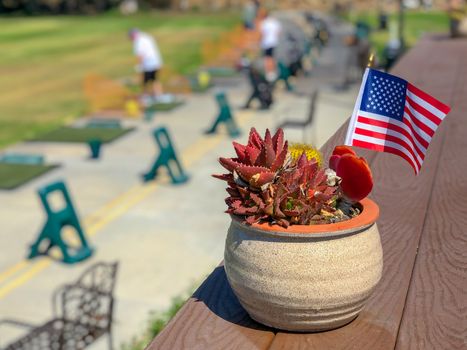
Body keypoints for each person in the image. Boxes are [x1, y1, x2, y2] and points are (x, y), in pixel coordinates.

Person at [128, 28, 163, 99]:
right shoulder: (146, 37)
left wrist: (139, 65)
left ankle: (146, 95)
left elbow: (140, 55)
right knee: (155, 79)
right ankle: (158, 94)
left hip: (148, 64)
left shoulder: (138, 42)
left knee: (145, 81)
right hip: (156, 61)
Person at [259, 10, 281, 82]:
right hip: (274, 42)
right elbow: (278, 32)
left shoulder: (264, 23)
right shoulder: (274, 22)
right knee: (272, 58)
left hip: (266, 43)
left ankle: (269, 73)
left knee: (267, 59)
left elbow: (262, 34)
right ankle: (273, 72)